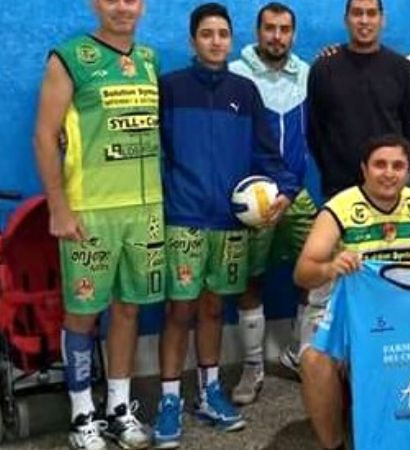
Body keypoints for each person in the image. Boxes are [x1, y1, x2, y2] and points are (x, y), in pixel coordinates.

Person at [152, 4, 299, 448]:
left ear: (232, 40)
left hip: (230, 223)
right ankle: (169, 399)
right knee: (179, 310)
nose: (216, 41)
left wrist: (286, 190)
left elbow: (267, 155)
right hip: (184, 219)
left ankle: (210, 391)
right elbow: (146, 147)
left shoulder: (245, 91)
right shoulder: (171, 88)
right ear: (193, 40)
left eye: (223, 34)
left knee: (215, 308)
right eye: (207, 34)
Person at [33, 1, 161, 448]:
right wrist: (59, 207)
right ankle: (82, 414)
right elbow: (45, 135)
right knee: (83, 315)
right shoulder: (68, 57)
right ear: (95, 4)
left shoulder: (148, 59)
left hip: (145, 211)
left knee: (129, 309)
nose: (123, 7)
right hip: (90, 211)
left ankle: (119, 408)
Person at [295, 134, 410, 450]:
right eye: (380, 165)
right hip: (336, 309)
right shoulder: (338, 209)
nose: (389, 173)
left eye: (398, 165)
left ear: (409, 170)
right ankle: (334, 445)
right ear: (364, 169)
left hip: (398, 312)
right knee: (315, 360)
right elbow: (302, 273)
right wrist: (330, 268)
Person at [228, 1, 318, 403]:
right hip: (254, 199)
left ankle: (302, 354)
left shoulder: (308, 75)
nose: (277, 36)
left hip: (296, 195)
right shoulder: (236, 75)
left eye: (284, 29)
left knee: (317, 273)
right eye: (270, 28)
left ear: (293, 35)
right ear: (257, 30)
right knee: (252, 279)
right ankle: (252, 367)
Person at [307, 0, 410, 199]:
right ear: (346, 20)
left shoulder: (402, 69)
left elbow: (407, 128)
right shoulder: (324, 69)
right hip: (340, 188)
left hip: (390, 187)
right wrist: (331, 170)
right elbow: (315, 130)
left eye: (371, 14)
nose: (364, 20)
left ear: (382, 20)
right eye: (357, 13)